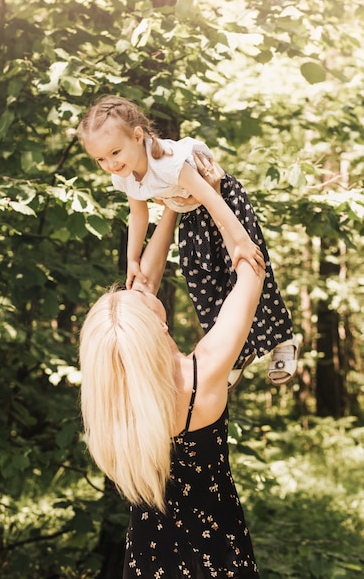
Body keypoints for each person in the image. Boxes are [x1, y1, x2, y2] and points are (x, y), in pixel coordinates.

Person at [79, 198, 265, 578]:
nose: (139, 283)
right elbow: (252, 270)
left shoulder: (115, 397)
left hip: (150, 555)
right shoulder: (203, 373)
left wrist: (172, 204)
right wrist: (215, 204)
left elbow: (144, 280)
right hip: (219, 547)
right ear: (158, 328)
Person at [78, 95, 299, 388]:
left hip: (223, 202)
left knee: (248, 267)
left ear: (137, 136)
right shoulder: (125, 176)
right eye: (101, 159)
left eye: (115, 152)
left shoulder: (167, 163)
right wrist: (132, 259)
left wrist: (242, 240)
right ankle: (236, 352)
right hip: (191, 214)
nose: (110, 163)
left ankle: (282, 339)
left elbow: (210, 196)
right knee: (200, 281)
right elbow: (138, 215)